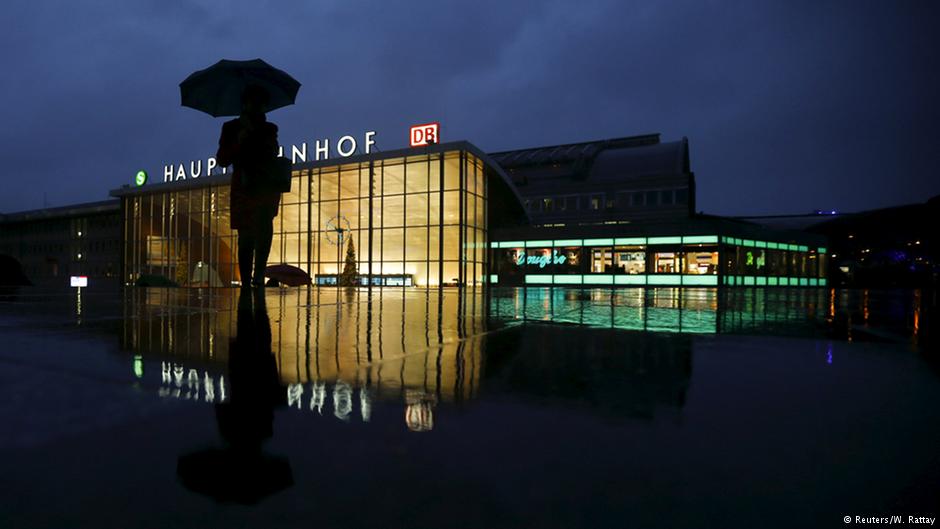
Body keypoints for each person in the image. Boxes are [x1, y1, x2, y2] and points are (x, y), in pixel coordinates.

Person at [216, 85, 281, 288]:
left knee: (264, 233)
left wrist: (259, 138)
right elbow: (222, 159)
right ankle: (246, 280)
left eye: (261, 103)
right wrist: (240, 140)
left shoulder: (269, 129)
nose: (258, 107)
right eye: (254, 102)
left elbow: (273, 153)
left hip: (265, 188)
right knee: (245, 237)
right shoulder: (231, 128)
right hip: (244, 186)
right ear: (245, 103)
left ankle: (259, 275)